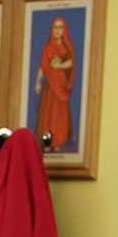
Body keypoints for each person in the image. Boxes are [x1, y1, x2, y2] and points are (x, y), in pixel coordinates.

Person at [35, 15, 76, 151]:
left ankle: (58, 141)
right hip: (50, 85)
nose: (57, 30)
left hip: (61, 84)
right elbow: (43, 65)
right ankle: (46, 143)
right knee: (48, 111)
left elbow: (71, 63)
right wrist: (37, 82)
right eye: (55, 27)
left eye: (60, 27)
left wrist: (59, 66)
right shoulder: (48, 47)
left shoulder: (67, 47)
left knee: (58, 113)